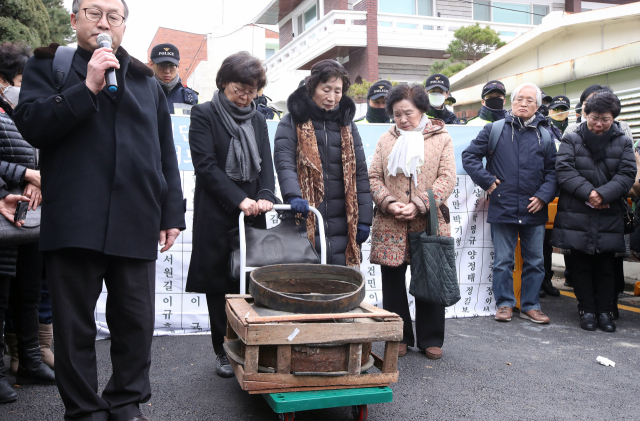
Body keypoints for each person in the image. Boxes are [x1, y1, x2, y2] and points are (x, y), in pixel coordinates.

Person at [13, 0, 186, 419]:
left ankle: (126, 401)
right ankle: (84, 409)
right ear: (75, 20)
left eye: (114, 15)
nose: (104, 22)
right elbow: (32, 124)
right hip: (74, 217)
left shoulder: (146, 80)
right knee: (74, 327)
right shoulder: (49, 67)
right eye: (93, 12)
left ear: (124, 25)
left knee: (136, 322)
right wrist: (85, 87)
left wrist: (171, 214)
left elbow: (165, 152)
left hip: (137, 216)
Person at [185, 52, 276, 379]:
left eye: (252, 90)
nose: (246, 96)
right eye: (240, 89)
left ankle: (253, 343)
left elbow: (265, 163)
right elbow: (205, 166)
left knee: (253, 280)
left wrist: (265, 195)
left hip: (253, 211)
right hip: (218, 210)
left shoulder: (258, 118)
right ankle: (223, 349)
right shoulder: (204, 113)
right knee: (219, 283)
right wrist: (238, 200)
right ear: (223, 83)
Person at [368, 84, 455, 360]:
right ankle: (400, 336)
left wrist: (419, 204)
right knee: (392, 281)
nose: (402, 119)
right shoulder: (385, 139)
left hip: (426, 220)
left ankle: (431, 338)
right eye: (396, 114)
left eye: (408, 113)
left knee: (429, 275)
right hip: (390, 220)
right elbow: (373, 177)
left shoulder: (441, 137)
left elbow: (447, 178)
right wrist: (390, 203)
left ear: (422, 110)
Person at [462, 83, 558, 325]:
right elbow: (469, 156)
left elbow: (554, 172)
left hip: (533, 208)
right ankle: (504, 304)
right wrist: (487, 181)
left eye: (529, 100)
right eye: (519, 99)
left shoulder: (545, 135)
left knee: (535, 262)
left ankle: (531, 306)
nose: (523, 104)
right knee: (503, 261)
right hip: (502, 206)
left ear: (537, 106)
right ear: (511, 103)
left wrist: (543, 196)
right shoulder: (494, 129)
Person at [274, 59, 373, 267]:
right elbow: (285, 164)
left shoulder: (348, 127)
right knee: (305, 287)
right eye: (326, 89)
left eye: (338, 91)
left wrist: (364, 219)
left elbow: (360, 174)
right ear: (312, 88)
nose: (332, 97)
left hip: (343, 222)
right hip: (305, 214)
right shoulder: (291, 121)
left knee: (339, 289)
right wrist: (293, 196)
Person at [552, 91, 635, 332]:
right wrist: (590, 193)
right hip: (577, 210)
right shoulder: (572, 138)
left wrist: (604, 194)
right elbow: (564, 170)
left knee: (606, 264)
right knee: (580, 263)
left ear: (614, 119)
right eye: (594, 117)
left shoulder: (623, 139)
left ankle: (605, 311)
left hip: (609, 211)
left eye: (605, 119)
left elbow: (627, 173)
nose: (599, 124)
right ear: (585, 115)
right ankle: (586, 309)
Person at [537, 95, 571, 299]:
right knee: (538, 242)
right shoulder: (546, 131)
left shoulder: (563, 131)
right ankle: (538, 281)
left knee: (549, 241)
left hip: (560, 192)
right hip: (543, 191)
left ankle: (547, 279)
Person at [148, 43, 198, 114]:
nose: (167, 71)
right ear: (151, 64)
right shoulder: (142, 92)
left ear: (178, 66)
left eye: (171, 65)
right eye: (162, 65)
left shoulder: (191, 96)